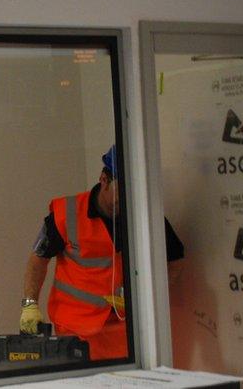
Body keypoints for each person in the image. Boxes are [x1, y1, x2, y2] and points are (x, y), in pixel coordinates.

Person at [18, 146, 184, 360]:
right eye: (122, 191)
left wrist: (149, 298)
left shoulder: (145, 216)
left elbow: (175, 262)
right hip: (74, 332)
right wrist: (30, 305)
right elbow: (37, 260)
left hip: (124, 333)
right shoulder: (67, 213)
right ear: (104, 179)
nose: (127, 200)